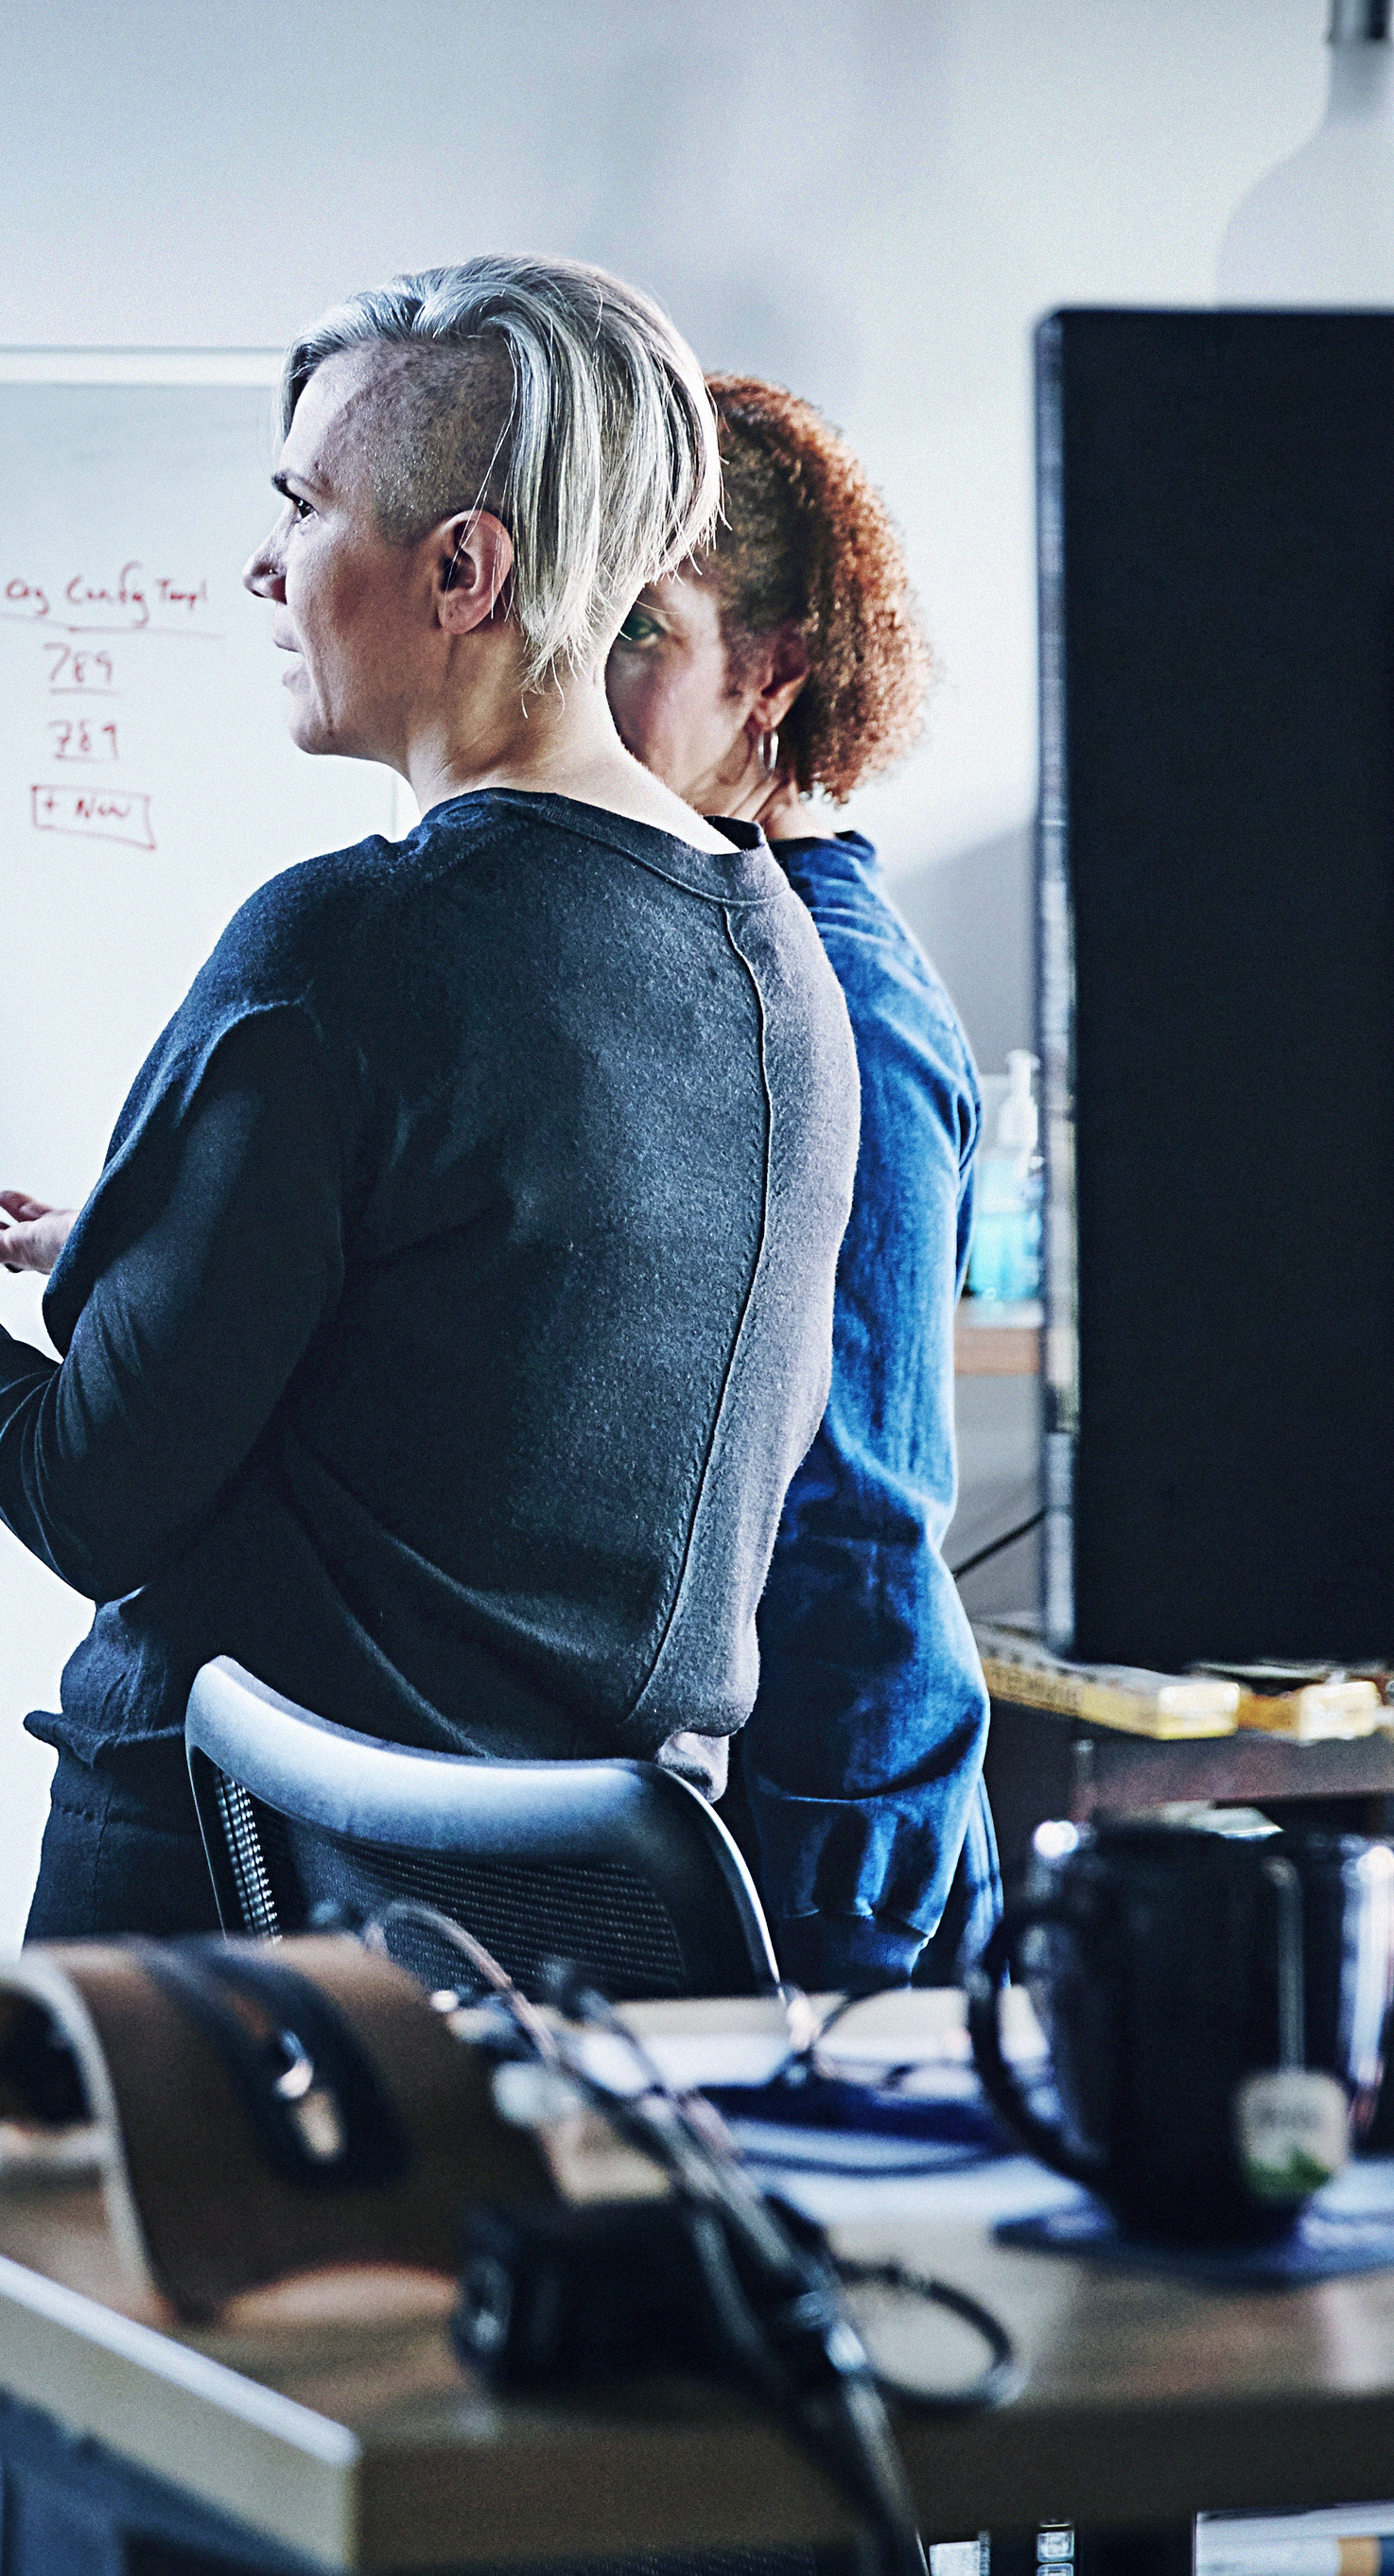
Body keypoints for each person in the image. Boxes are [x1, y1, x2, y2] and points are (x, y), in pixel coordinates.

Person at [0, 257, 856, 1936]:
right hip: (556, 1949)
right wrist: (181, 1243)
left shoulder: (358, 942)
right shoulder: (776, 953)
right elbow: (515, 1342)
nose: (261, 565)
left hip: (239, 1922)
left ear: (461, 568)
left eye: (301, 504)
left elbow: (87, 1491)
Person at [601, 373, 996, 1992]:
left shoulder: (844, 1016)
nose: (578, 680)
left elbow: (863, 1509)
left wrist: (839, 1936)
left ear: (773, 677)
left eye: (642, 632)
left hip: (827, 1868)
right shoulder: (678, 953)